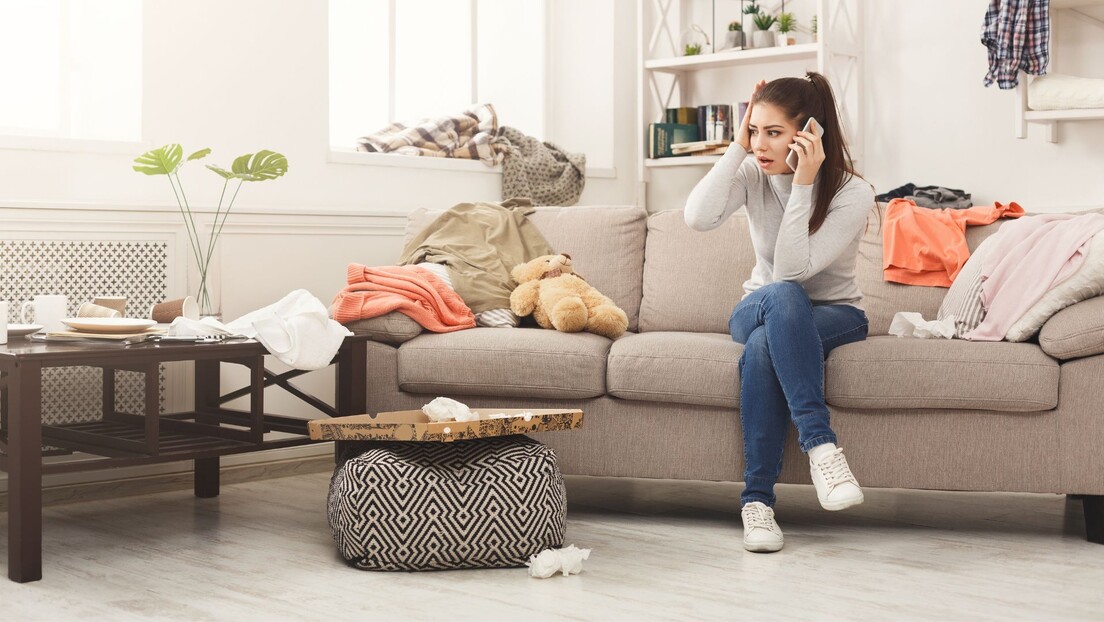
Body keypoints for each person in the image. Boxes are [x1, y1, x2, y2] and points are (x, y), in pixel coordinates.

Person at [684, 72, 876, 553]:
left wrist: (805, 183)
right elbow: (698, 217)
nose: (760, 144)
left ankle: (757, 504)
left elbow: (795, 267)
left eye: (773, 133)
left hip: (836, 313)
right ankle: (822, 449)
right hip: (759, 304)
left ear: (809, 134)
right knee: (782, 300)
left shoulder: (853, 193)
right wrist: (735, 145)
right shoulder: (752, 171)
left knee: (768, 342)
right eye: (755, 130)